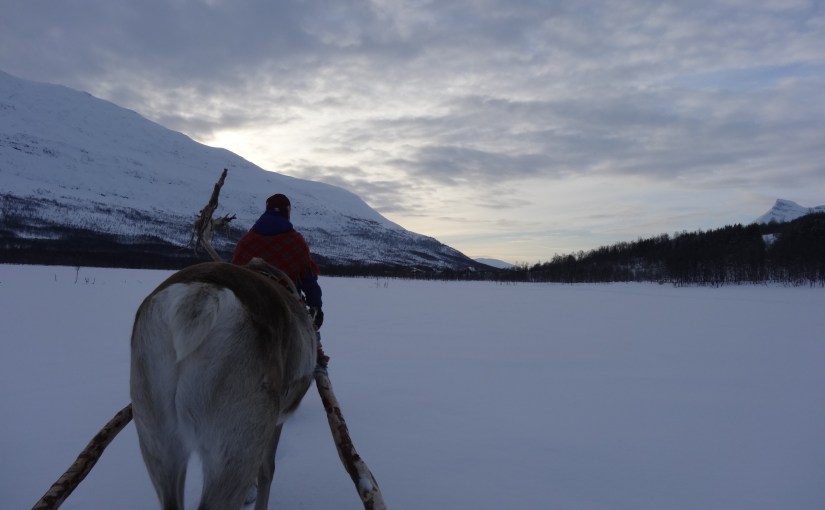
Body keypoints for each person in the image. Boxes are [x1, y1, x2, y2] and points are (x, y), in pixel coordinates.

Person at [231, 193, 323, 329]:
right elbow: (307, 278)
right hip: (287, 305)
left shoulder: (246, 241)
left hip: (245, 303)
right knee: (312, 340)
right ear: (287, 212)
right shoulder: (296, 242)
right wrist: (316, 306)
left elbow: (234, 275)